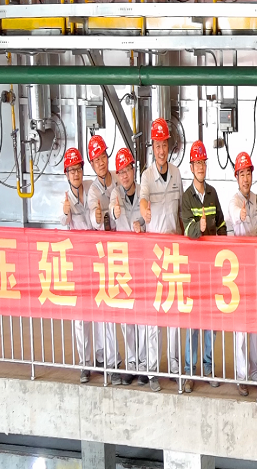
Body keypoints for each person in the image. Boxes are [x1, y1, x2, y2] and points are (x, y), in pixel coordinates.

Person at [178, 140, 227, 393]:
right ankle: (189, 370)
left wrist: (225, 247)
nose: (200, 167)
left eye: (203, 162)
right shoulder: (186, 198)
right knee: (193, 322)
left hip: (212, 267)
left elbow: (221, 224)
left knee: (211, 321)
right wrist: (200, 227)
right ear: (191, 167)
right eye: (196, 163)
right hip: (193, 269)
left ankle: (208, 367)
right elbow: (187, 228)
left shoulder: (213, 194)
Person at [139, 117, 183, 393]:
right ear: (152, 147)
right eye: (157, 145)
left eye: (164, 144)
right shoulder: (146, 175)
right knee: (155, 313)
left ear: (169, 145)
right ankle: (153, 369)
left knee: (175, 313)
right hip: (154, 254)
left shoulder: (176, 174)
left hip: (174, 251)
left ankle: (175, 366)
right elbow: (143, 197)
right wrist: (144, 208)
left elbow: (181, 211)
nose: (161, 150)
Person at [109, 147, 147, 386]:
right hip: (122, 262)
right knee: (126, 316)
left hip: (141, 259)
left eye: (127, 170)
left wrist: (142, 224)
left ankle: (143, 364)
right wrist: (115, 212)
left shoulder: (143, 191)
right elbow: (112, 213)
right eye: (120, 171)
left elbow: (148, 216)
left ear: (134, 170)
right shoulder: (116, 194)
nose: (124, 175)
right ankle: (131, 363)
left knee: (142, 313)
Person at [60, 147, 97, 385]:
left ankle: (103, 359)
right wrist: (65, 213)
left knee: (100, 311)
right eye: (71, 170)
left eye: (78, 169)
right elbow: (62, 223)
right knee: (80, 316)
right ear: (66, 174)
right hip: (78, 264)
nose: (76, 174)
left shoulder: (91, 188)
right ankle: (85, 363)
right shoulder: (65, 199)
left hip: (96, 260)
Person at [226, 151, 257, 397]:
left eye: (248, 173)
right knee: (241, 327)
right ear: (236, 177)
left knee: (256, 324)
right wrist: (240, 214)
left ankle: (255, 372)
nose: (246, 178)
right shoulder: (234, 201)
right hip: (239, 273)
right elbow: (235, 214)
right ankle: (241, 375)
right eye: (242, 174)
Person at [84, 134, 120, 379]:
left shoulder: (118, 178)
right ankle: (108, 360)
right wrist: (99, 217)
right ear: (91, 163)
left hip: (121, 251)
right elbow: (95, 220)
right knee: (102, 307)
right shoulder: (92, 192)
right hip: (101, 255)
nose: (101, 162)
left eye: (103, 157)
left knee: (120, 308)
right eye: (96, 159)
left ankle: (117, 360)